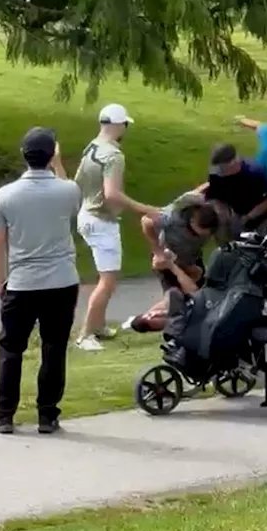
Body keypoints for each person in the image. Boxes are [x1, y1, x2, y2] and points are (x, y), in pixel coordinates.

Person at [0, 128, 83, 435]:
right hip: (61, 281)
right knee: (54, 348)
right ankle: (47, 415)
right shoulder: (68, 190)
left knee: (11, 348)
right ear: (52, 155)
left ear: (23, 155)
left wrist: (2, 279)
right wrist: (58, 162)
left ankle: (4, 415)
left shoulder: (6, 194)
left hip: (22, 282)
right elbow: (72, 196)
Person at [73, 103, 159, 351]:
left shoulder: (92, 147)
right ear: (119, 125)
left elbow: (79, 182)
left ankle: (98, 326)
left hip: (86, 214)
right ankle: (86, 334)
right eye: (125, 124)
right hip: (101, 221)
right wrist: (146, 209)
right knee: (108, 280)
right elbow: (112, 194)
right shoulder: (113, 155)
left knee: (107, 277)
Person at [124, 193, 221, 333]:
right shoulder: (172, 219)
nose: (206, 235)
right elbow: (147, 221)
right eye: (203, 231)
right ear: (193, 221)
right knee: (175, 297)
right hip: (167, 258)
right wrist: (158, 252)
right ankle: (145, 321)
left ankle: (146, 318)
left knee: (197, 300)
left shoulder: (209, 215)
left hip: (191, 259)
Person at [199, 143, 267, 241]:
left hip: (263, 215)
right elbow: (214, 195)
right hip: (237, 212)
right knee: (234, 241)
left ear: (235, 163)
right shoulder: (216, 174)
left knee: (262, 243)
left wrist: (248, 217)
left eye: (223, 169)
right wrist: (221, 212)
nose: (220, 173)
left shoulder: (255, 173)